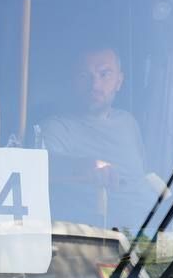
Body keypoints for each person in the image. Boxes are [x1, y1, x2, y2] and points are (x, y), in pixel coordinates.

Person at [39, 45, 149, 225]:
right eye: (84, 76)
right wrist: (81, 165)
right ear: (73, 81)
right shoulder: (56, 128)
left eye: (104, 74)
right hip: (97, 239)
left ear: (119, 81)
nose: (95, 85)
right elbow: (42, 166)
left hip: (153, 231)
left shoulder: (128, 123)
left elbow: (143, 178)